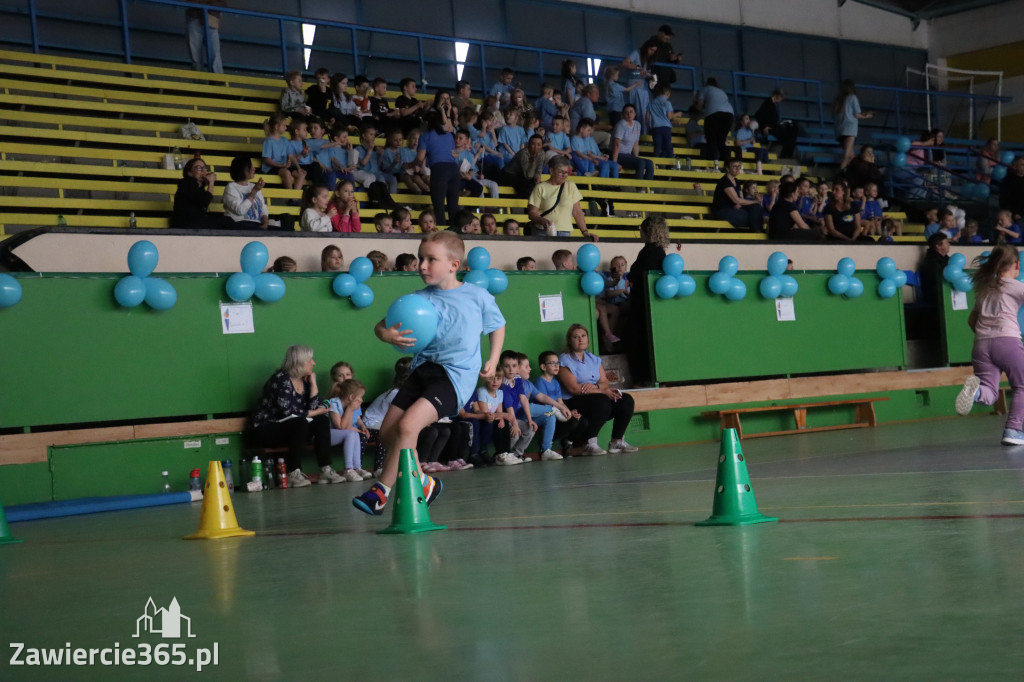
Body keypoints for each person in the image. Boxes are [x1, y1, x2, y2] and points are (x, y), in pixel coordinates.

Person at [352, 231, 506, 517]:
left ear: (453, 265)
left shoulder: (476, 296)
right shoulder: (418, 299)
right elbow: (381, 326)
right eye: (421, 258)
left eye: (430, 259)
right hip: (422, 371)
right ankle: (424, 482)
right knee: (387, 433)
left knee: (408, 427)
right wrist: (386, 335)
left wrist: (493, 359)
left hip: (455, 378)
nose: (422, 265)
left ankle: (381, 492)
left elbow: (497, 326)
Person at [955, 245, 1024, 445]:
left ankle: (975, 391)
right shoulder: (1015, 286)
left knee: (990, 392)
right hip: (1008, 341)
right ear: (1016, 264)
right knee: (1022, 386)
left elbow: (971, 320)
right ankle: (1013, 429)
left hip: (981, 345)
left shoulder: (985, 288)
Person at [249, 345, 338, 488]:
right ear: (300, 362)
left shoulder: (305, 380)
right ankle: (293, 472)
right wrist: (315, 412)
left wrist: (314, 385)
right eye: (310, 360)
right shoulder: (280, 379)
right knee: (300, 422)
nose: (313, 363)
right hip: (265, 429)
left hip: (293, 428)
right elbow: (288, 412)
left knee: (321, 420)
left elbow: (317, 408)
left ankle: (325, 469)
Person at [558, 324, 637, 455]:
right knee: (601, 400)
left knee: (625, 399)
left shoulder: (593, 359)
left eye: (583, 336)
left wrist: (598, 387)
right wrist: (603, 391)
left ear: (588, 340)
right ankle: (590, 443)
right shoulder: (564, 359)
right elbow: (574, 388)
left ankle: (616, 441)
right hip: (573, 401)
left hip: (595, 397)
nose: (580, 339)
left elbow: (605, 381)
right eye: (576, 337)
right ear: (569, 341)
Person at [626, 216, 667, 385]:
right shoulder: (659, 250)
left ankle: (642, 378)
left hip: (642, 304)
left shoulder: (649, 251)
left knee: (638, 340)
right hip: (647, 302)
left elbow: (640, 275)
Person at [524, 156, 592, 239]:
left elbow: (577, 212)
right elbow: (532, 213)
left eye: (566, 172)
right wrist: (541, 220)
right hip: (542, 231)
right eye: (561, 172)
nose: (564, 175)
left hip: (565, 232)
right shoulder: (540, 187)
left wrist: (585, 232)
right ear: (551, 170)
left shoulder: (571, 186)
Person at [417, 110, 460, 227]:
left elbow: (420, 158)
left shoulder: (425, 136)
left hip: (439, 169)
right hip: (454, 169)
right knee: (453, 205)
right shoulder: (449, 135)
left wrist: (409, 164)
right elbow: (453, 153)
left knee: (439, 205)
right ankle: (455, 233)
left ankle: (441, 232)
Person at [327, 379, 373, 482]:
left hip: (340, 433)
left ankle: (357, 468)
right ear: (351, 397)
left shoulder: (352, 406)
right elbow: (340, 427)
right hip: (325, 435)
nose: (361, 400)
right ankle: (348, 469)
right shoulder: (334, 403)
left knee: (354, 434)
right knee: (352, 434)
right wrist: (350, 409)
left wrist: (361, 428)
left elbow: (348, 427)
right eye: (360, 397)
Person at [171, 157, 232, 230]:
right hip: (185, 223)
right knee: (226, 222)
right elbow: (205, 200)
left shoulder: (200, 188)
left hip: (195, 222)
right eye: (199, 168)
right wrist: (211, 182)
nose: (203, 171)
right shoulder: (186, 184)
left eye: (204, 168)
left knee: (228, 221)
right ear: (189, 173)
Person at [711, 158, 763, 231]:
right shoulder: (725, 181)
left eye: (739, 166)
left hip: (735, 209)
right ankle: (756, 235)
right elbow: (736, 200)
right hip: (723, 211)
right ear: (727, 168)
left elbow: (740, 199)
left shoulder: (736, 181)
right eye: (734, 166)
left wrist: (740, 204)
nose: (738, 169)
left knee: (756, 208)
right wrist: (755, 201)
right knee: (754, 217)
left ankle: (756, 235)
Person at [833, 80, 873, 170]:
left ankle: (854, 174)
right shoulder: (853, 97)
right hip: (849, 129)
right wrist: (868, 115)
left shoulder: (838, 100)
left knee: (852, 156)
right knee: (847, 156)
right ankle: (840, 174)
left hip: (839, 129)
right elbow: (857, 114)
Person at [610, 104, 654, 182]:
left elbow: (635, 145)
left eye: (631, 112)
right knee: (641, 162)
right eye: (626, 112)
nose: (629, 114)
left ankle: (650, 189)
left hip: (628, 155)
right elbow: (616, 145)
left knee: (649, 163)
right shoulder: (621, 125)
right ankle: (639, 188)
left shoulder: (637, 125)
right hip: (618, 155)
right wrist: (614, 163)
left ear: (635, 114)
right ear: (623, 115)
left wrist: (636, 158)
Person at [695, 77, 734, 165]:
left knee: (711, 140)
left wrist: (696, 105)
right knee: (721, 140)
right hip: (729, 115)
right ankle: (726, 164)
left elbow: (699, 107)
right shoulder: (721, 91)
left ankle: (711, 164)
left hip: (713, 115)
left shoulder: (704, 89)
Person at [222, 155, 268, 230]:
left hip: (256, 224)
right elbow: (240, 210)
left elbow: (263, 208)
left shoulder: (253, 186)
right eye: (250, 166)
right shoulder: (231, 187)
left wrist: (266, 222)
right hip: (239, 225)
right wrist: (253, 193)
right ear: (242, 169)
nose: (253, 169)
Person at [754, 89, 797, 159]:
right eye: (781, 97)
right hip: (769, 128)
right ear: (777, 96)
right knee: (788, 135)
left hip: (773, 126)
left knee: (792, 131)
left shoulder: (773, 105)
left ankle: (787, 154)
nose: (782, 99)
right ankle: (785, 154)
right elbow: (758, 115)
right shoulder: (768, 103)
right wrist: (764, 127)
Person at [184, 0, 224, 74]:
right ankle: (201, 79)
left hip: (210, 17)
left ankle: (217, 79)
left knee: (214, 54)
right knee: (197, 55)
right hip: (197, 16)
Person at [502, 134, 546, 199]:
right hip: (511, 174)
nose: (535, 147)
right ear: (529, 144)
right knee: (527, 188)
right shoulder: (524, 153)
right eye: (533, 144)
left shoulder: (542, 153)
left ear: (542, 146)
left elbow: (539, 170)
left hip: (523, 175)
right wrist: (534, 159)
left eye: (538, 145)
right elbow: (528, 175)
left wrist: (537, 177)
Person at [999, 156, 1024, 222]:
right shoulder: (1008, 181)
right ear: (1015, 166)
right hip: (1016, 216)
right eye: (1022, 165)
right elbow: (1004, 201)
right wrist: (1014, 213)